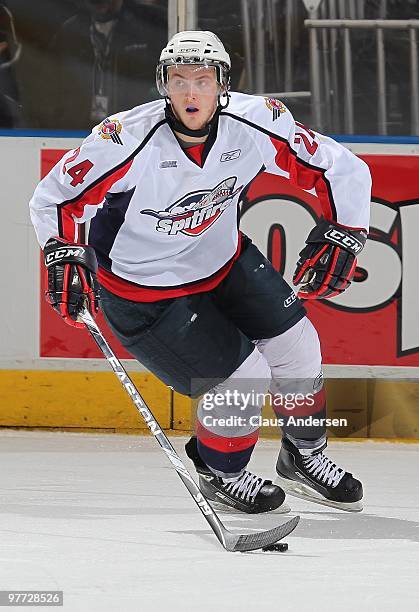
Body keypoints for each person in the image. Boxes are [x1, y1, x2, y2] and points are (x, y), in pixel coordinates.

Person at [30, 31, 371, 515]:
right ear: (163, 84)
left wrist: (346, 232)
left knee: (300, 348)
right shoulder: (124, 138)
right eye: (179, 79)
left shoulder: (257, 122)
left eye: (203, 80)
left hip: (224, 262)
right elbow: (54, 197)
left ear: (222, 84)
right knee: (243, 379)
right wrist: (61, 251)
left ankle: (305, 455)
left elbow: (343, 168)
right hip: (144, 291)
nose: (191, 93)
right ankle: (222, 472)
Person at [47, 0, 166, 129]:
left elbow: (160, 82)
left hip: (131, 126)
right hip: (78, 126)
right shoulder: (70, 31)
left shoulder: (146, 27)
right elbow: (53, 84)